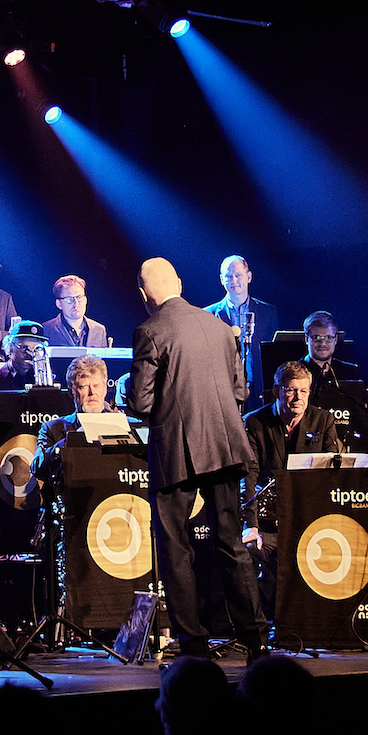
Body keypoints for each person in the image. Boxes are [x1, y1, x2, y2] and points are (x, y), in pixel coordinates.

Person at [127, 257, 263, 657]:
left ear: (143, 294)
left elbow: (141, 403)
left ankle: (194, 645)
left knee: (175, 549)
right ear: (180, 283)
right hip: (225, 445)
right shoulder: (220, 327)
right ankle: (256, 639)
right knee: (231, 543)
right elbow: (240, 392)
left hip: (177, 453)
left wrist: (126, 391)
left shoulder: (149, 331)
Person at [241, 361, 345, 613]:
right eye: (290, 390)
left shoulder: (323, 420)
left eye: (303, 391)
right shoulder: (254, 423)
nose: (297, 397)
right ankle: (260, 624)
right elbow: (248, 477)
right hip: (267, 524)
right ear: (277, 390)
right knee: (245, 554)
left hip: (308, 522)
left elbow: (333, 477)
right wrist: (251, 526)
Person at [204, 255, 276, 408]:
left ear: (249, 277)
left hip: (260, 389)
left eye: (238, 275)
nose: (233, 280)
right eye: (228, 276)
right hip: (225, 391)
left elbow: (272, 353)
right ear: (221, 279)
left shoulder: (268, 312)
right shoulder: (207, 314)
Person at [0, 319, 52, 390]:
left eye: (35, 349)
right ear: (10, 347)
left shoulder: (44, 379)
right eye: (23, 347)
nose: (30, 353)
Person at [298, 311, 366, 388]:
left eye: (328, 337)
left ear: (336, 339)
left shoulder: (351, 372)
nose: (322, 344)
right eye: (316, 338)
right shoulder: (292, 373)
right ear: (306, 339)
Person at [42, 275, 109, 349]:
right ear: (59, 304)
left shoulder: (99, 330)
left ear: (86, 300)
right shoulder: (46, 330)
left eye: (79, 297)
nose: (76, 303)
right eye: (70, 299)